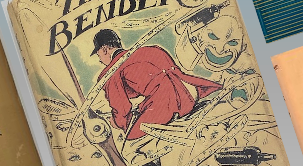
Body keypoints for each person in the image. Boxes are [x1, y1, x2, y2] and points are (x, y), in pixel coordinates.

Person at [92, 29, 222, 142]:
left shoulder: (111, 71)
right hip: (190, 91)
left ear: (105, 50)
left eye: (99, 55)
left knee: (131, 138)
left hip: (168, 102)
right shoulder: (148, 49)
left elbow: (121, 108)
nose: (99, 60)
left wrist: (117, 122)